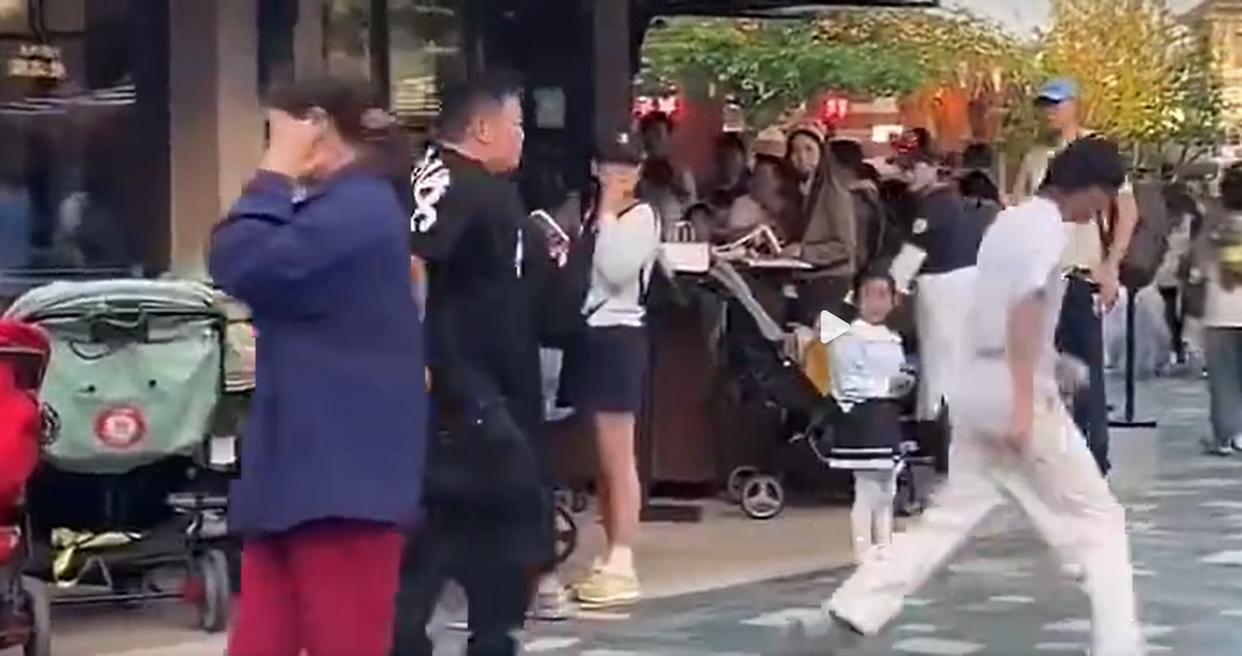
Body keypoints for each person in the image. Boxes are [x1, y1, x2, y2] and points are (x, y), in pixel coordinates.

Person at [823, 137, 1145, 656]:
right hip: (1015, 390)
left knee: (955, 510)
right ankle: (1119, 645)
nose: (1101, 211)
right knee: (1100, 519)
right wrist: (1024, 398)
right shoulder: (1045, 229)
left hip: (976, 385)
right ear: (1089, 189)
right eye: (1105, 198)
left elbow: (996, 307)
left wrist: (1050, 364)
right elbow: (1025, 308)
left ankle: (860, 602)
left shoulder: (1008, 222)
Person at [211, 77, 426, 656]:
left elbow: (241, 262)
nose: (269, 146)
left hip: (341, 481)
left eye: (275, 131)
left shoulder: (359, 209)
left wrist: (273, 173)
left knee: (343, 641)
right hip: (303, 475)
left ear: (317, 126)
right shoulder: (343, 209)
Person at [394, 71, 552, 656]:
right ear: (483, 128)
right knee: (500, 522)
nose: (522, 137)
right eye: (516, 125)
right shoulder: (457, 183)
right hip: (471, 393)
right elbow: (412, 262)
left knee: (450, 533)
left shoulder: (437, 177)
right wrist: (414, 355)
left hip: (478, 387)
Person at [1012, 78, 1139, 474]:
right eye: (1044, 105)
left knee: (1086, 369)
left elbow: (1127, 211)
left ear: (1074, 105)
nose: (1049, 112)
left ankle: (1093, 453)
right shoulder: (1035, 157)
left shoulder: (1098, 153)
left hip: (1080, 275)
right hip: (1040, 277)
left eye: (1056, 103)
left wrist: (1111, 264)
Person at [565, 131, 662, 607]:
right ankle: (609, 552)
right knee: (601, 460)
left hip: (620, 335)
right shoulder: (590, 215)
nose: (618, 176)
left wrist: (606, 210)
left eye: (627, 167)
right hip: (592, 334)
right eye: (610, 166)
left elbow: (616, 268)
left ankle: (623, 558)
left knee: (618, 455)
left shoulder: (640, 216)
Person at [826, 267, 913, 564]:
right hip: (863, 417)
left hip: (886, 415)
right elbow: (845, 382)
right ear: (857, 299)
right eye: (869, 296)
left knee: (888, 488)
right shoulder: (848, 337)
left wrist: (903, 385)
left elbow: (898, 373)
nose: (876, 303)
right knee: (867, 489)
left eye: (883, 295)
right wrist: (885, 387)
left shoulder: (893, 338)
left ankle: (885, 544)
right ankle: (863, 550)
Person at [1189, 163, 1242, 455]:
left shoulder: (1214, 223)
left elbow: (1197, 264)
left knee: (1223, 377)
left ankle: (1226, 436)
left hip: (1221, 309)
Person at [637, 111, 695, 224]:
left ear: (668, 137)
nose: (652, 140)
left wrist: (673, 183)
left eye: (658, 134)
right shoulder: (638, 172)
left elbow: (692, 209)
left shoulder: (681, 172)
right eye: (648, 134)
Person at [724, 154, 799, 242]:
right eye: (754, 175)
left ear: (778, 178)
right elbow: (732, 238)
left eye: (759, 176)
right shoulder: (744, 204)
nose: (751, 183)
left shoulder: (801, 208)